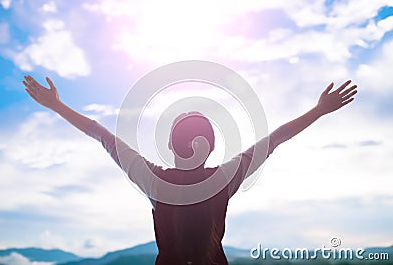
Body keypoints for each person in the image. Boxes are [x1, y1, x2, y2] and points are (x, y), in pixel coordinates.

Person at [23, 75, 357, 265]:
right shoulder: (224, 178)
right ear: (210, 146)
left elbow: (99, 132)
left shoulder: (154, 180)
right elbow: (276, 139)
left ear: (170, 146)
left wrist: (56, 104)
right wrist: (318, 110)